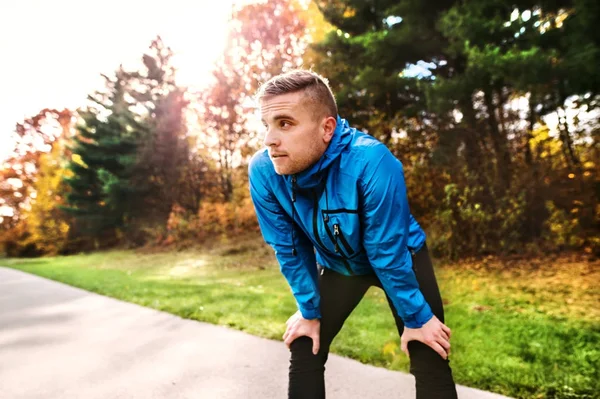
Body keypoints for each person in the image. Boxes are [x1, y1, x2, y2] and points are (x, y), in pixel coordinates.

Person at [248, 69, 457, 399]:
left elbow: (384, 251)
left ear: (327, 128)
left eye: (284, 124)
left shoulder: (372, 161)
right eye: (267, 126)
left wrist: (417, 318)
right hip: (338, 265)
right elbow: (288, 247)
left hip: (401, 258)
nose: (269, 140)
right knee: (306, 342)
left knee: (428, 348)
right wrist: (309, 310)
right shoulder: (264, 170)